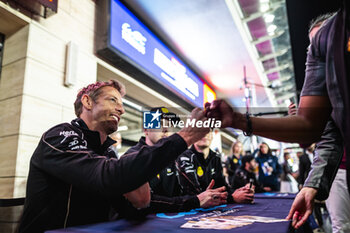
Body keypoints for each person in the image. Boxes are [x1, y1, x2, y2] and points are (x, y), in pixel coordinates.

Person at [205, 2, 350, 227]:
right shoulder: (322, 43)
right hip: (339, 170)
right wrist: (238, 120)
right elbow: (314, 129)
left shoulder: (334, 36)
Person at [18, 80, 210, 233]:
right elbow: (107, 177)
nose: (122, 109)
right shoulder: (59, 135)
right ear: (87, 102)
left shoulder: (108, 150)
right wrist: (186, 135)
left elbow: (131, 204)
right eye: (113, 100)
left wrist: (193, 201)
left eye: (122, 103)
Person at [123, 107, 228, 213]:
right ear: (146, 129)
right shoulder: (133, 157)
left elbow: (186, 193)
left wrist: (207, 195)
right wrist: (195, 201)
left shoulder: (175, 157)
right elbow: (146, 203)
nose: (166, 129)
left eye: (169, 125)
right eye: (160, 124)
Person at [176, 132, 255, 204]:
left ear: (212, 135)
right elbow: (196, 195)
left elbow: (222, 186)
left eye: (207, 130)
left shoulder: (215, 157)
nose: (203, 133)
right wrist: (233, 197)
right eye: (199, 130)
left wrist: (241, 192)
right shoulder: (184, 157)